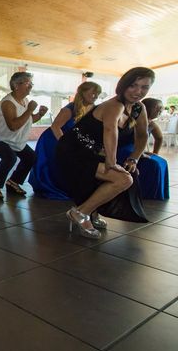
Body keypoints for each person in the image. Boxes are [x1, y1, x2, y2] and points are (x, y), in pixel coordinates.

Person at [56, 67, 154, 239]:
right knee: (123, 179)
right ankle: (80, 213)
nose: (138, 92)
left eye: (144, 87)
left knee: (127, 173)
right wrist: (111, 162)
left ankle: (91, 211)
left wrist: (134, 158)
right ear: (123, 85)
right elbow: (110, 131)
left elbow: (143, 134)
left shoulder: (139, 109)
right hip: (73, 151)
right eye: (133, 85)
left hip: (95, 152)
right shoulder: (114, 106)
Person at [29, 81, 102, 199]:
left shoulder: (94, 108)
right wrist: (65, 145)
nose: (95, 96)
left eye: (97, 94)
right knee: (54, 165)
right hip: (54, 139)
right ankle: (52, 188)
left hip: (71, 141)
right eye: (93, 93)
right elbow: (55, 126)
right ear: (83, 92)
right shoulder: (70, 108)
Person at [0, 72, 48, 200]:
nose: (31, 86)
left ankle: (13, 182)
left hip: (12, 140)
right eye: (28, 83)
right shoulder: (8, 103)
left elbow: (26, 121)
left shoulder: (25, 100)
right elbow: (13, 125)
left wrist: (39, 115)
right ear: (16, 85)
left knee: (31, 157)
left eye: (31, 83)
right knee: (10, 158)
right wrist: (29, 110)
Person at [116, 98, 169, 200]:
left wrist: (155, 153)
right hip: (124, 150)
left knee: (162, 161)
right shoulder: (132, 120)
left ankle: (157, 194)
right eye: (157, 107)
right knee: (153, 164)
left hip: (138, 150)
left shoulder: (152, 124)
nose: (160, 110)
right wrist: (139, 154)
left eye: (161, 108)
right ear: (147, 108)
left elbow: (159, 138)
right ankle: (144, 193)